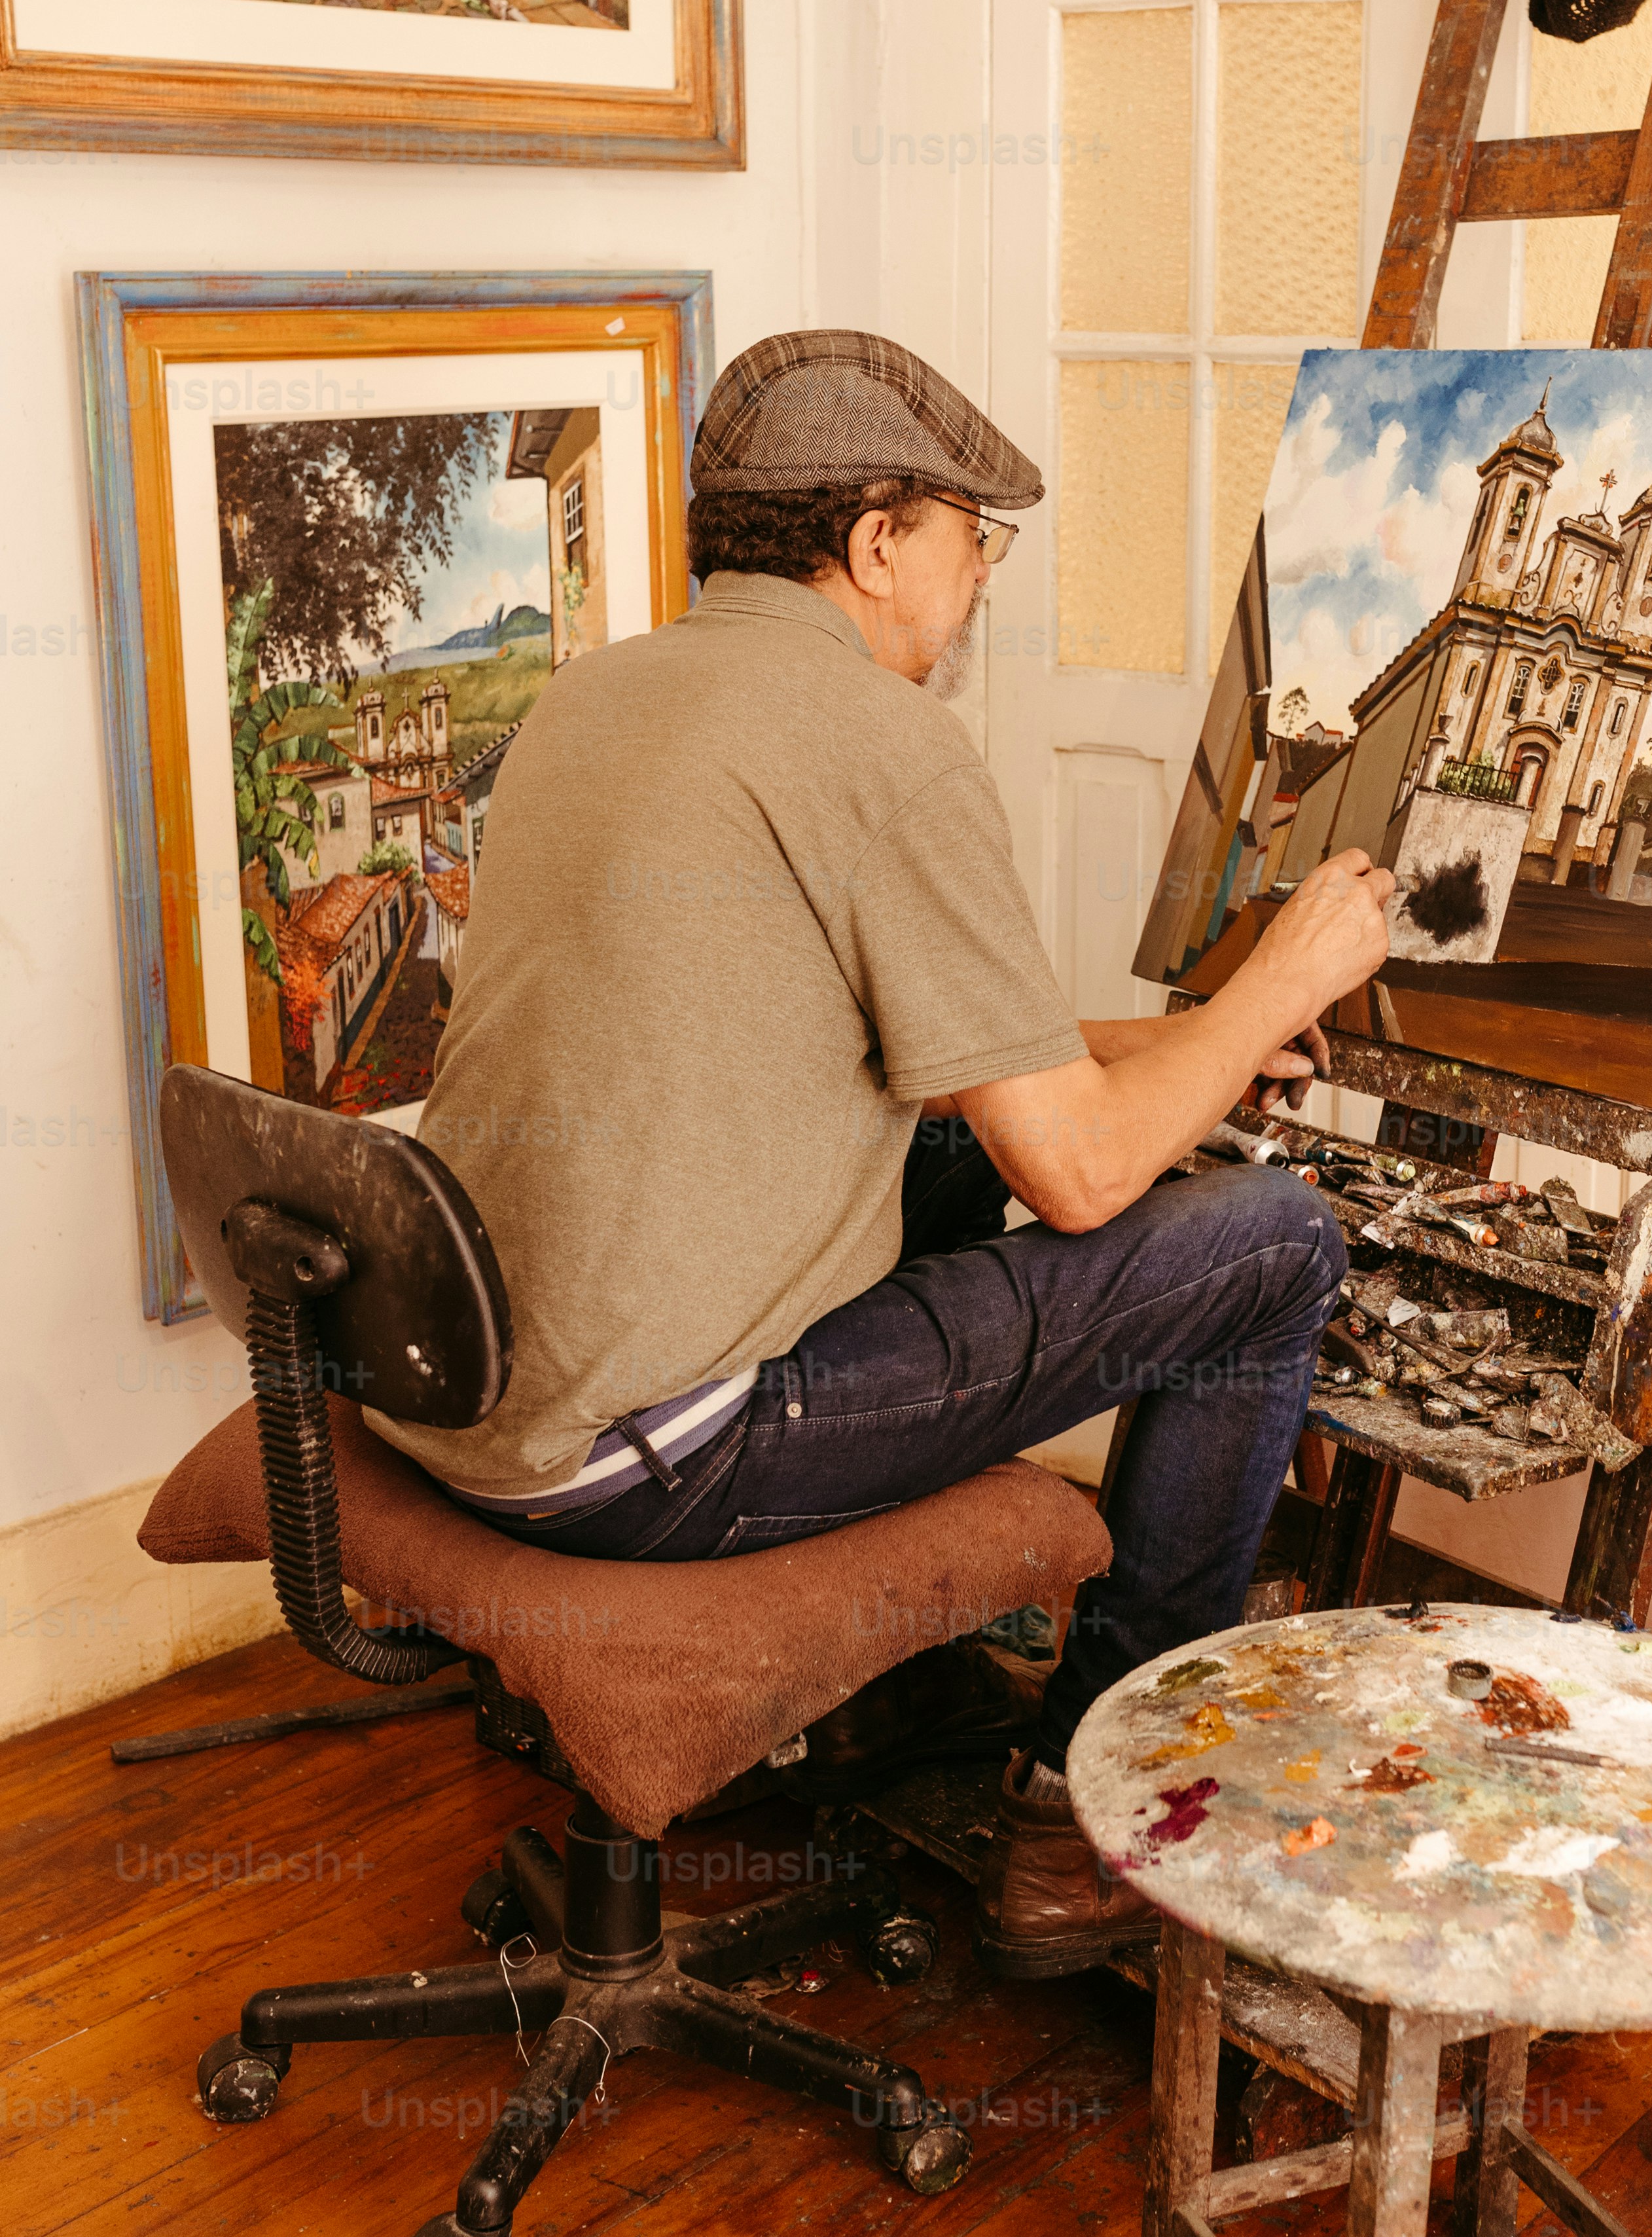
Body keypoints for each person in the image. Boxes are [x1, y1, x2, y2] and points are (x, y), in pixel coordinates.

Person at [373, 329, 1393, 1974]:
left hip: (467, 1380)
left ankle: (889, 1692)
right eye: (971, 543)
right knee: (1268, 1243)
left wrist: (1182, 1043)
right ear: (875, 541)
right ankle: (1093, 1804)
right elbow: (1078, 1177)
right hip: (647, 1456)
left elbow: (903, 1043)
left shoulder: (603, 690)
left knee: (949, 1158)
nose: (977, 584)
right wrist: (1275, 980)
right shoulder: (880, 739)